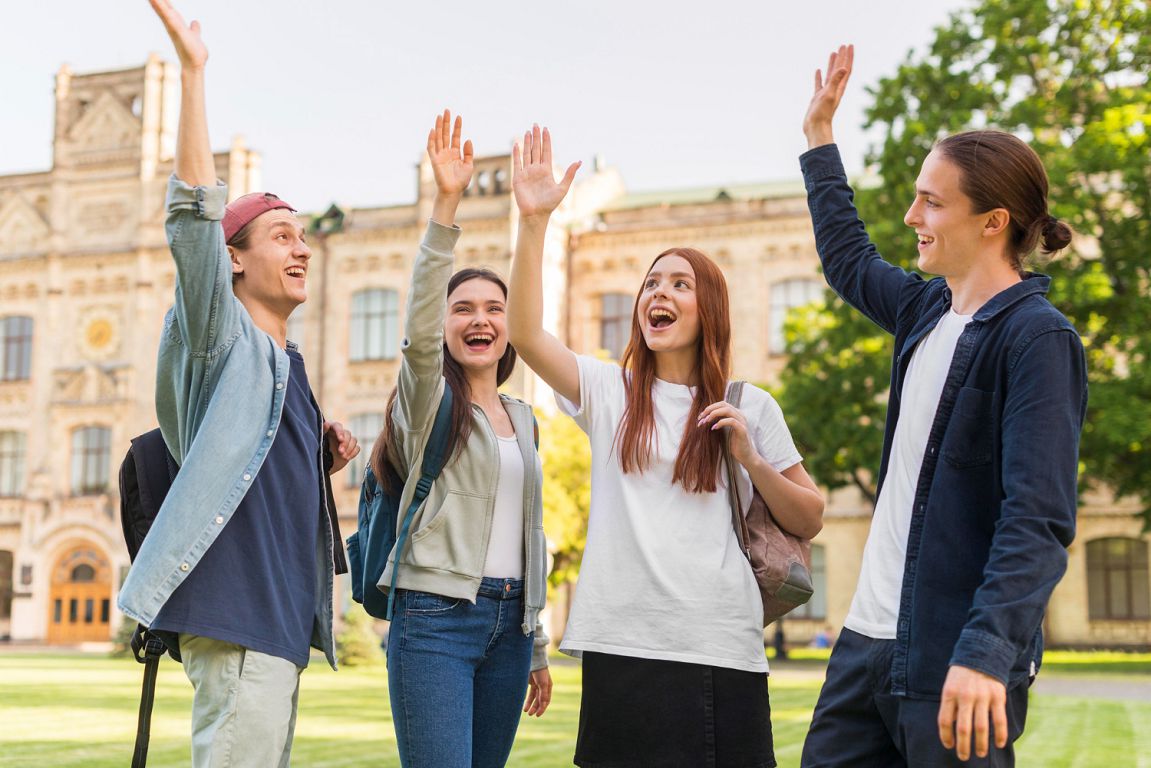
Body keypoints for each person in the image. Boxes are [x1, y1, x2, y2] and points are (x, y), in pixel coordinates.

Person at [798, 45, 1087, 767]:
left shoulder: (1036, 340)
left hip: (953, 659)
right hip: (864, 644)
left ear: (992, 221)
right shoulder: (924, 310)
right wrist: (819, 140)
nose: (910, 214)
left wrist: (988, 651)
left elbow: (1036, 517)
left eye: (931, 200)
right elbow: (845, 257)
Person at [507, 125, 825, 768]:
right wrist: (535, 222)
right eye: (652, 284)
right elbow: (526, 332)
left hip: (718, 646)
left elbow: (809, 516)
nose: (660, 293)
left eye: (680, 284)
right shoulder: (609, 391)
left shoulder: (750, 404)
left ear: (708, 308)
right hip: (621, 642)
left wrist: (751, 459)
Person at [117, 2, 360, 765]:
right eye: (281, 237)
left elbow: (248, 467)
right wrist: (193, 74)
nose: (302, 250)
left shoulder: (284, 369)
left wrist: (318, 456)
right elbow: (193, 217)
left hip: (279, 627)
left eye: (303, 238)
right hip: (238, 618)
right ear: (233, 261)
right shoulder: (220, 338)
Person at [369, 111, 551, 768]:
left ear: (509, 328)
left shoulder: (524, 418)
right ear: (446, 326)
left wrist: (536, 643)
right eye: (463, 308)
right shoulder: (429, 401)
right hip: (435, 618)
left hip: (510, 627)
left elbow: (532, 534)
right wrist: (445, 206)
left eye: (494, 309)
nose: (480, 319)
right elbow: (417, 337)